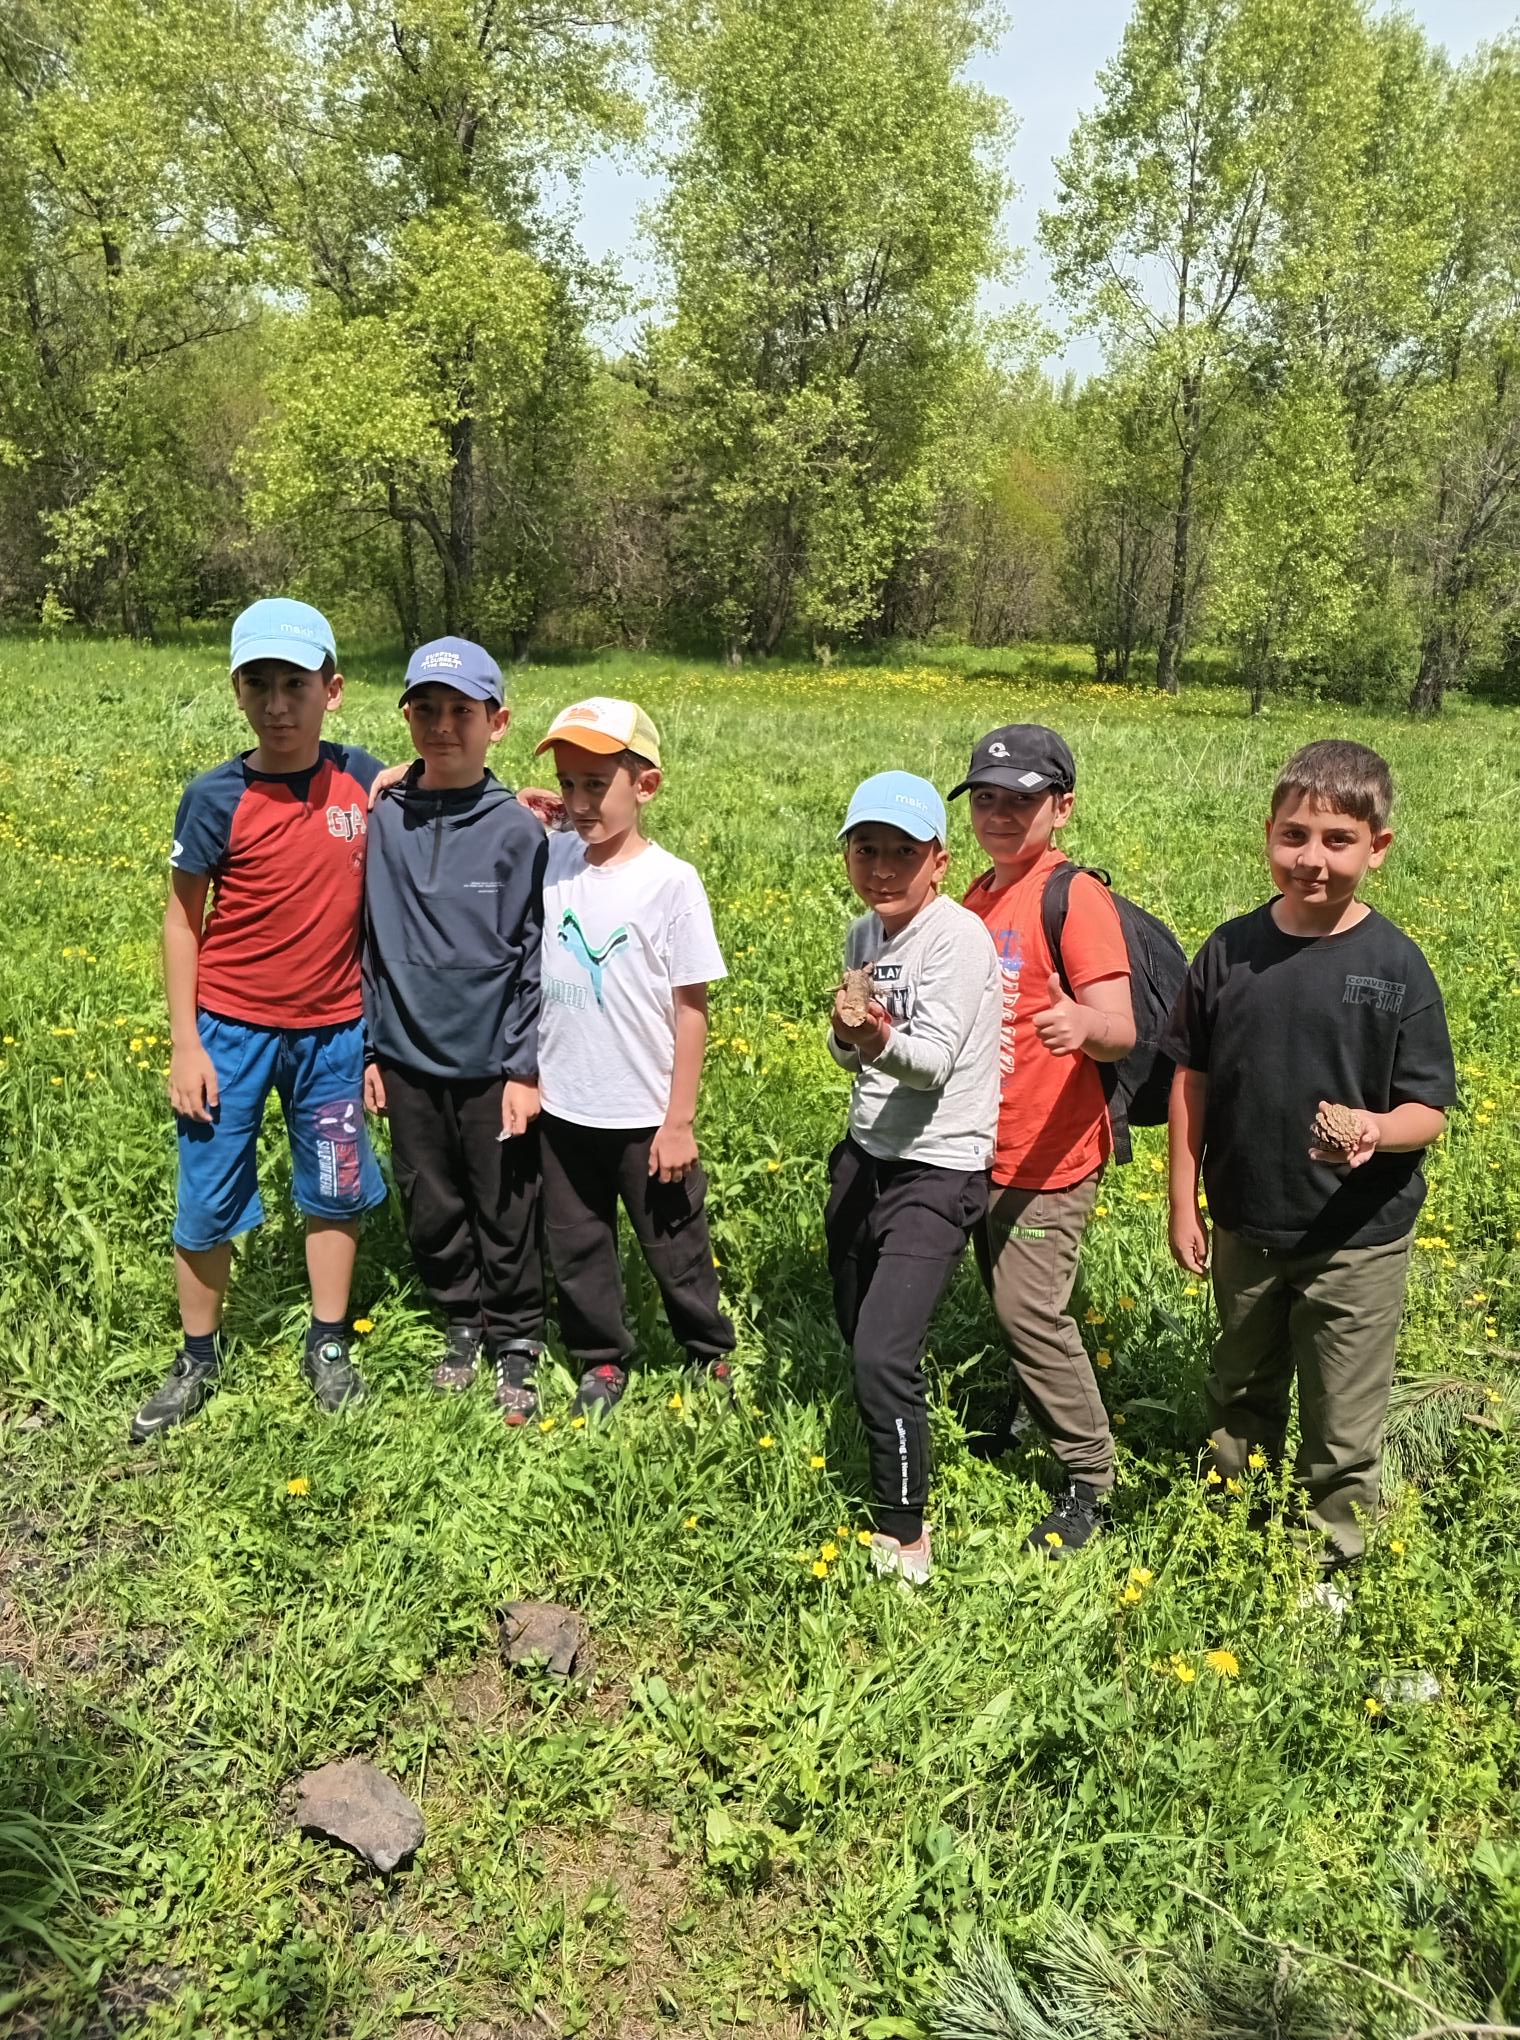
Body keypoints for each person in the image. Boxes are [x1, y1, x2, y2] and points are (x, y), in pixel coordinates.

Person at [1166, 739, 1455, 1566]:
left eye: (1338, 841)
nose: (1313, 860)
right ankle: (1230, 1530)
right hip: (1246, 1223)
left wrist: (1375, 1129)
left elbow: (1428, 1109)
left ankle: (1331, 1554)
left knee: (1342, 1417)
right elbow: (1192, 1079)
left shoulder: (1396, 965)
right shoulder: (1229, 951)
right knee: (1238, 1390)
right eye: (1295, 836)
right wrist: (1183, 1201)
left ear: (1377, 848)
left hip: (1357, 1239)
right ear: (1268, 835)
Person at [131, 598, 388, 1441]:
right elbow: (181, 921)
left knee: (334, 1189)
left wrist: (522, 805)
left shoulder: (367, 781)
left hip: (335, 1033)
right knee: (205, 1197)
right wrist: (185, 1042)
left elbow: (446, 803)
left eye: (296, 683)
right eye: (259, 684)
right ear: (238, 692)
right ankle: (197, 1355)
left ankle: (329, 1342)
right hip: (230, 1034)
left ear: (333, 689)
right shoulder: (214, 797)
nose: (279, 703)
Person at [954, 726, 1136, 1556]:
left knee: (1030, 1307)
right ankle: (1033, 1408)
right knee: (1009, 1297)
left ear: (1061, 808)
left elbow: (1122, 1028)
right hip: (985, 1144)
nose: (1000, 814)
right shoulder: (976, 896)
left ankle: (1092, 1478)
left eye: (1021, 800)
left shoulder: (1073, 897)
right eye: (986, 798)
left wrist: (1081, 1024)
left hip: (1051, 1153)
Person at [362, 637, 550, 1423]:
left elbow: (536, 953)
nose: (442, 726)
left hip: (489, 1061)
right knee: (430, 1199)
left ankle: (518, 1336)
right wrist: (372, 1048)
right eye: (425, 710)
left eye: (461, 712)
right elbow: (367, 942)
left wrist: (522, 1065)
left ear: (497, 722)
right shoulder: (384, 814)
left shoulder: (519, 829)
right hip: (404, 1054)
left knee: (504, 1203)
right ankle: (461, 1320)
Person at [533, 697, 735, 1415]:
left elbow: (691, 1007)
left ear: (643, 786)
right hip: (563, 1105)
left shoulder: (671, 883)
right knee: (577, 1243)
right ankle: (602, 1359)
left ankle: (708, 1351)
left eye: (597, 784)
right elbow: (474, 796)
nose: (579, 802)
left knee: (674, 1245)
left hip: (646, 1114)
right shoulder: (555, 858)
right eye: (567, 784)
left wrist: (677, 1121)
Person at [826, 772, 1002, 1586]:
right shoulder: (867, 933)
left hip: (939, 1166)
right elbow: (850, 1053)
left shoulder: (956, 938)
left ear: (940, 860)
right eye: (868, 849)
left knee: (883, 1354)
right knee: (856, 1323)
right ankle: (889, 1429)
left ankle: (905, 1532)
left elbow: (929, 1063)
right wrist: (847, 1034)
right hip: (867, 1153)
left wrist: (871, 1037)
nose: (884, 867)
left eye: (904, 851)